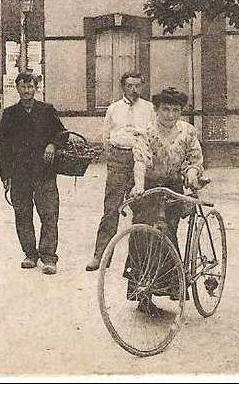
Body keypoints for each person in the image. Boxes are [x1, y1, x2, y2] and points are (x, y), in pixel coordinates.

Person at [126, 87, 205, 314]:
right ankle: (143, 293)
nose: (170, 115)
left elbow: (195, 159)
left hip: (173, 189)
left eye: (175, 110)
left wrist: (191, 172)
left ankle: (171, 286)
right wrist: (139, 185)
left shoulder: (188, 132)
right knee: (141, 236)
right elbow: (140, 160)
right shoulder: (146, 132)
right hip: (149, 188)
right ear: (157, 110)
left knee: (166, 233)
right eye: (166, 109)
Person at [0, 72, 67, 275]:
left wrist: (53, 144)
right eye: (23, 87)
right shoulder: (9, 114)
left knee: (49, 214)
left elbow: (62, 133)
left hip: (44, 172)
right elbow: (4, 147)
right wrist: (6, 175)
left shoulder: (46, 111)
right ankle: (29, 253)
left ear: (35, 88)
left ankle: (48, 257)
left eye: (30, 87)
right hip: (19, 174)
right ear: (17, 89)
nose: (27, 91)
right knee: (22, 214)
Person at [86, 71, 154, 271]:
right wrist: (114, 156)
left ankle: (137, 262)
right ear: (123, 87)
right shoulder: (113, 109)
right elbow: (106, 137)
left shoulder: (149, 108)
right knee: (111, 209)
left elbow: (152, 135)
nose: (134, 89)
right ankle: (101, 257)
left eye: (137, 85)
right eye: (130, 86)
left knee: (141, 209)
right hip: (118, 158)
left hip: (140, 159)